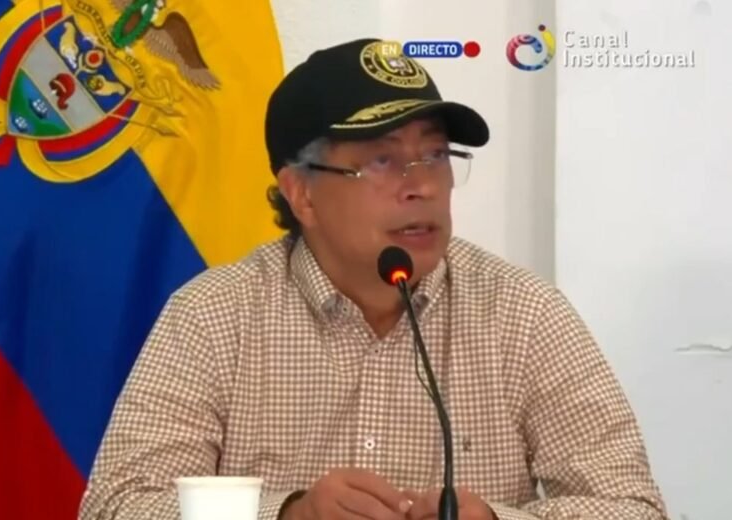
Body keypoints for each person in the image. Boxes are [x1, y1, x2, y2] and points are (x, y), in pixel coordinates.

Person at [78, 38, 669, 520]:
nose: (424, 186)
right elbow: (116, 507)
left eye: (435, 156)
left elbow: (632, 509)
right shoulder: (214, 315)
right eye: (383, 161)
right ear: (302, 193)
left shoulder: (523, 312)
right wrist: (287, 516)